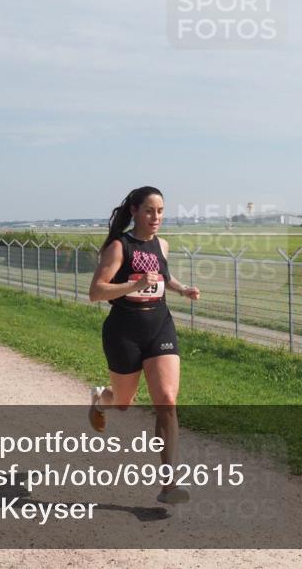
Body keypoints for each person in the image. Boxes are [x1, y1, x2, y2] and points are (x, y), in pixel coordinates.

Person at [87, 186, 200, 505]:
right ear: (134, 211)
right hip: (124, 330)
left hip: (159, 325)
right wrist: (134, 285)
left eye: (161, 211)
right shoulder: (119, 247)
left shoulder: (161, 244)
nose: (156, 217)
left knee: (166, 400)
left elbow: (162, 276)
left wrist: (182, 290)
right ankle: (101, 400)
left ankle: (169, 484)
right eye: (150, 210)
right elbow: (96, 292)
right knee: (122, 402)